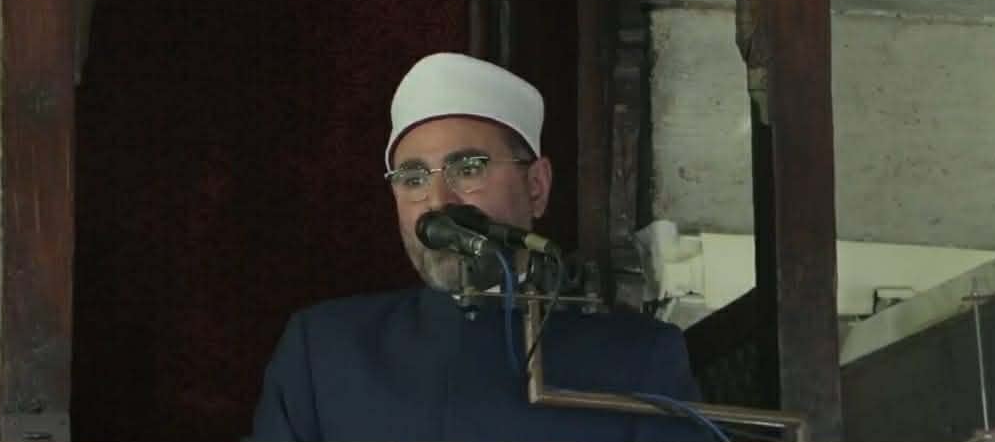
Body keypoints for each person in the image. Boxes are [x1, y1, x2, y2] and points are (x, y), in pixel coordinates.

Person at [249, 52, 707, 441]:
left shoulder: (637, 359)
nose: (438, 202)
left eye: (468, 169)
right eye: (413, 179)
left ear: (536, 186)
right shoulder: (325, 350)